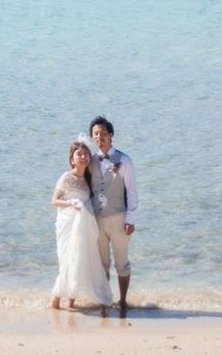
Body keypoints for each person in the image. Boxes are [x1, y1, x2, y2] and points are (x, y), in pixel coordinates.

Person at [50, 139, 113, 312]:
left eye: (86, 154)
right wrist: (71, 204)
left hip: (83, 226)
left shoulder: (88, 179)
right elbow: (54, 201)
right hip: (67, 224)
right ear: (72, 159)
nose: (83, 157)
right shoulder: (66, 177)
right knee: (66, 262)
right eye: (79, 154)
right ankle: (55, 303)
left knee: (78, 261)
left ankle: (70, 303)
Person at [88, 116, 137, 312]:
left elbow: (131, 191)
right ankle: (105, 300)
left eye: (103, 133)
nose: (99, 137)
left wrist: (131, 219)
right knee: (102, 264)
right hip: (97, 220)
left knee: (122, 263)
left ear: (111, 135)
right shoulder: (90, 161)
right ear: (92, 137)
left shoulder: (124, 160)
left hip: (119, 217)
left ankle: (123, 301)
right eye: (96, 134)